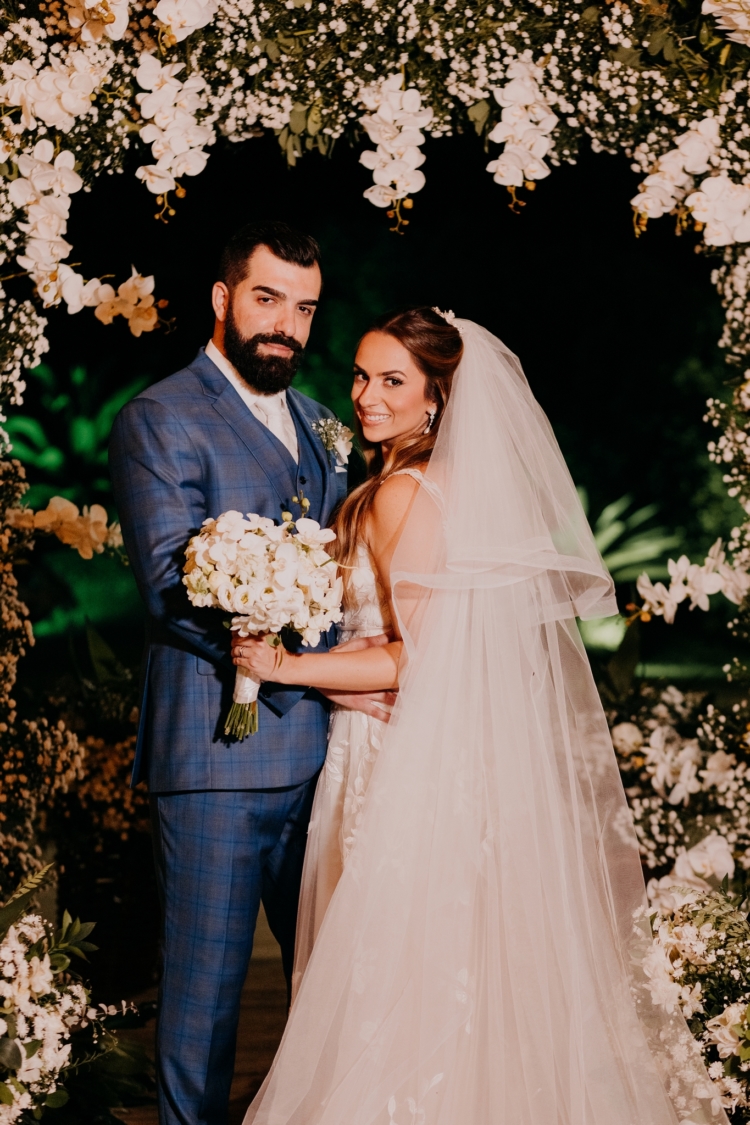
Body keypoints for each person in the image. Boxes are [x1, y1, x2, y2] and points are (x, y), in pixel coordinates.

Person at [233, 308, 726, 1125]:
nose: (366, 395)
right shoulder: (449, 487)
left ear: (437, 397)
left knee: (388, 984)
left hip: (392, 760)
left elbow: (415, 655)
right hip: (431, 751)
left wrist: (286, 666)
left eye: (393, 381)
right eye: (360, 374)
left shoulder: (398, 492)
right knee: (447, 975)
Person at [109, 220, 384, 1125]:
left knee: (333, 994)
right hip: (214, 763)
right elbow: (164, 584)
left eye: (304, 309)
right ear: (225, 300)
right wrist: (269, 645)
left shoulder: (319, 423)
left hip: (324, 758)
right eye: (268, 301)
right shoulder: (161, 417)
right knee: (205, 1009)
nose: (288, 328)